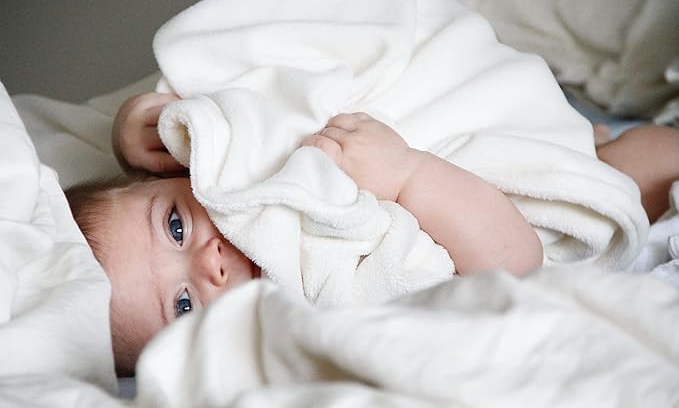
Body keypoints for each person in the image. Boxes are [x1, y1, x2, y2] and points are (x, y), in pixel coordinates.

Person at [67, 92, 679, 376]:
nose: (210, 264)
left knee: (585, 141)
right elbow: (516, 265)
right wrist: (407, 174)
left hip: (472, 131)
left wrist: (140, 124)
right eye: (183, 304)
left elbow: (223, 100)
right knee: (639, 168)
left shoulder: (237, 172)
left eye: (175, 226)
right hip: (499, 212)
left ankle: (572, 134)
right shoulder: (320, 303)